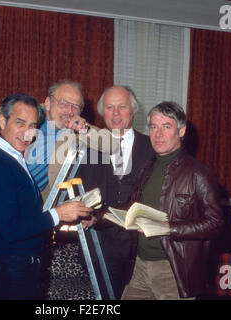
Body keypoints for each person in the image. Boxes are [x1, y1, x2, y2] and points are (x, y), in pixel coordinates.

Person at [0, 80, 116, 299]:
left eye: (76, 106)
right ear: (47, 102)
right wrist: (0, 171)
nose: (69, 111)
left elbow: (112, 145)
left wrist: (83, 129)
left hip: (31, 207)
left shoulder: (73, 130)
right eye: (64, 103)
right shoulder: (22, 112)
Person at [121, 101, 224, 299]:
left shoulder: (199, 174)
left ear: (181, 131)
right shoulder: (146, 168)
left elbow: (216, 224)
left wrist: (169, 228)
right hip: (139, 266)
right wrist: (97, 216)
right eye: (153, 127)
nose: (158, 134)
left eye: (166, 127)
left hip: (173, 270)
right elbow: (132, 206)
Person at [77, 85, 154, 299]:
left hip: (142, 249)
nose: (116, 113)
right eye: (110, 107)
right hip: (100, 248)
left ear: (134, 110)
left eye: (122, 106)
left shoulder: (153, 147)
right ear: (102, 112)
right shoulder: (85, 148)